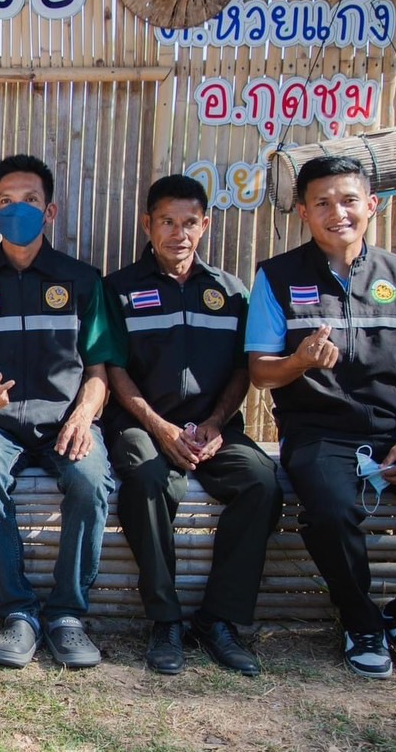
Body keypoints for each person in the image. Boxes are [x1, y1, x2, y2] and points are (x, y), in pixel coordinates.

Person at [247, 155, 396, 679]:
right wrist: (299, 362)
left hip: (395, 430)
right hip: (318, 435)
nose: (338, 212)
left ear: (372, 205)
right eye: (322, 203)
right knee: (330, 511)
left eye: (349, 200)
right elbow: (260, 372)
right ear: (304, 213)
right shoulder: (277, 276)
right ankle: (361, 624)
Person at [0, 154, 123, 669]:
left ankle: (67, 616)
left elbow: (99, 371)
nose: (18, 209)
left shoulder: (82, 280)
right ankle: (19, 612)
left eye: (30, 200)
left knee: (91, 481)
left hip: (67, 421)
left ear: (50, 211)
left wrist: (83, 417)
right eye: (6, 201)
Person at [104, 174, 282, 677]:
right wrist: (160, 427)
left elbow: (243, 368)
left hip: (213, 428)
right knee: (147, 478)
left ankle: (219, 621)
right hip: (142, 423)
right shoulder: (118, 289)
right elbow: (114, 369)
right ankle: (165, 620)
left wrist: (216, 422)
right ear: (148, 224)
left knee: (262, 483)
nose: (177, 233)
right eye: (166, 221)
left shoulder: (230, 291)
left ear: (205, 225)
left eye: (188, 223)